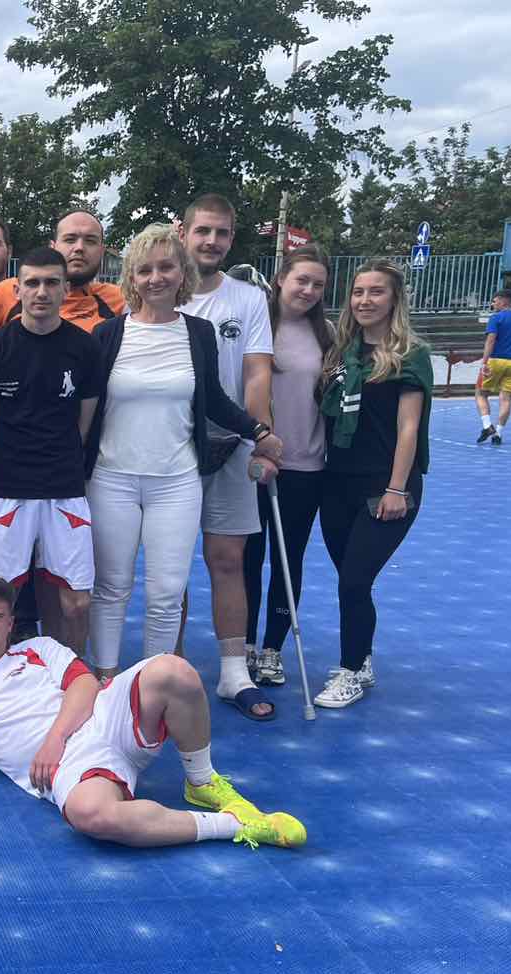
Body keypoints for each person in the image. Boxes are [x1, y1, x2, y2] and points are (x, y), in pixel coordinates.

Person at [0, 574, 305, 850]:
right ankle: (234, 824)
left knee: (173, 670)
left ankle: (201, 782)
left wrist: (55, 739)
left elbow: (85, 684)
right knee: (92, 816)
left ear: (9, 623)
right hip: (70, 769)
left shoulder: (39, 648)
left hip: (103, 720)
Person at [86, 226, 282, 674]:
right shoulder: (107, 334)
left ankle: (155, 681)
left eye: (166, 267)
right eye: (145, 270)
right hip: (112, 480)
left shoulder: (199, 333)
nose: (156, 278)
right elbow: (85, 406)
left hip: (176, 482)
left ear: (182, 273)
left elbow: (214, 399)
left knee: (167, 592)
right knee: (111, 587)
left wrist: (259, 431)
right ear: (131, 278)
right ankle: (107, 678)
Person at [0, 247, 102, 655]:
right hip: (8, 490)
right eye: (33, 283)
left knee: (76, 602)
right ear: (17, 289)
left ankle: (70, 676)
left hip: (64, 489)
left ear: (65, 289)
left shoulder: (85, 348)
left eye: (51, 283)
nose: (42, 292)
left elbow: (83, 425)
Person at [314, 260, 433, 709]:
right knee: (352, 581)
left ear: (394, 299)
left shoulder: (408, 356)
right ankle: (361, 659)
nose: (365, 300)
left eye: (376, 292)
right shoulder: (341, 352)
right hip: (337, 482)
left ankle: (350, 672)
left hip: (385, 487)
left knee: (354, 580)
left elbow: (408, 428)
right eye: (358, 291)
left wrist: (397, 488)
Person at [178, 193, 278, 721]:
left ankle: (234, 672)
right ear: (183, 233)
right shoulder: (159, 291)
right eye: (203, 231)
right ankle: (167, 667)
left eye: (221, 233)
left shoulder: (249, 299)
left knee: (227, 560)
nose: (211, 241)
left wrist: (260, 436)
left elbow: (257, 372)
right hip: (172, 447)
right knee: (171, 565)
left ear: (231, 238)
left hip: (232, 442)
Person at [243, 244, 331, 687]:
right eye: (301, 280)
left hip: (305, 466)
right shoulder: (257, 326)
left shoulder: (327, 335)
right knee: (247, 557)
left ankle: (273, 648)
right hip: (253, 463)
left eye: (318, 284)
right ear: (280, 280)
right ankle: (243, 644)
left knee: (287, 557)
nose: (308, 290)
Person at [0, 210, 126, 333]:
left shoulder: (119, 299)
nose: (79, 248)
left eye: (90, 241)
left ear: (102, 251)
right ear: (53, 246)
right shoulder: (10, 291)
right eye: (70, 239)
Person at [474, 289, 511, 445]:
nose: (493, 304)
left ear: (503, 301)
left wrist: (484, 362)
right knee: (506, 398)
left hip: (496, 360)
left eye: (494, 301)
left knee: (480, 393)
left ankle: (487, 426)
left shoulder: (496, 318)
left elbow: (490, 340)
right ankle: (498, 433)